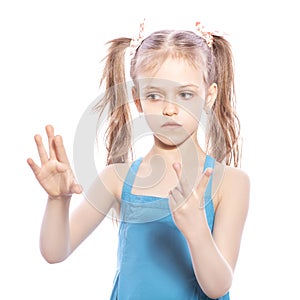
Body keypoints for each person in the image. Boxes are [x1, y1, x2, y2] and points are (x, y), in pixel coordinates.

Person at [27, 20, 250, 300]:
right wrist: (58, 201)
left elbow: (217, 287)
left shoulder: (230, 183)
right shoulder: (116, 178)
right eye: (155, 96)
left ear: (209, 95)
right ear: (136, 98)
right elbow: (55, 252)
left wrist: (197, 231)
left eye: (185, 94)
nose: (169, 109)